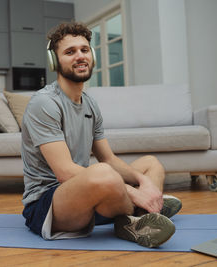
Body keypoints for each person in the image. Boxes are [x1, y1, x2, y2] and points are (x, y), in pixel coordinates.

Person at [21, 22, 182, 248]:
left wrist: (143, 181)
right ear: (54, 61)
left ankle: (132, 220)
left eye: (84, 50)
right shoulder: (44, 103)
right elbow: (65, 172)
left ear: (92, 55)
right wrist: (135, 193)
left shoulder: (90, 104)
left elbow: (109, 158)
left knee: (150, 164)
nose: (80, 56)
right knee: (103, 174)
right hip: (47, 205)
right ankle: (140, 210)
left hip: (90, 195)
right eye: (70, 52)